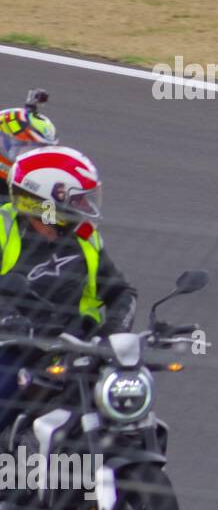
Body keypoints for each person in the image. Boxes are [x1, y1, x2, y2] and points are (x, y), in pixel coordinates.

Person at [0, 147, 136, 432]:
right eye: (78, 200)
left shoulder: (85, 236)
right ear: (44, 201)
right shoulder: (3, 227)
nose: (86, 207)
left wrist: (111, 331)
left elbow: (122, 291)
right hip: (15, 345)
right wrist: (9, 318)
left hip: (78, 347)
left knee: (130, 398)